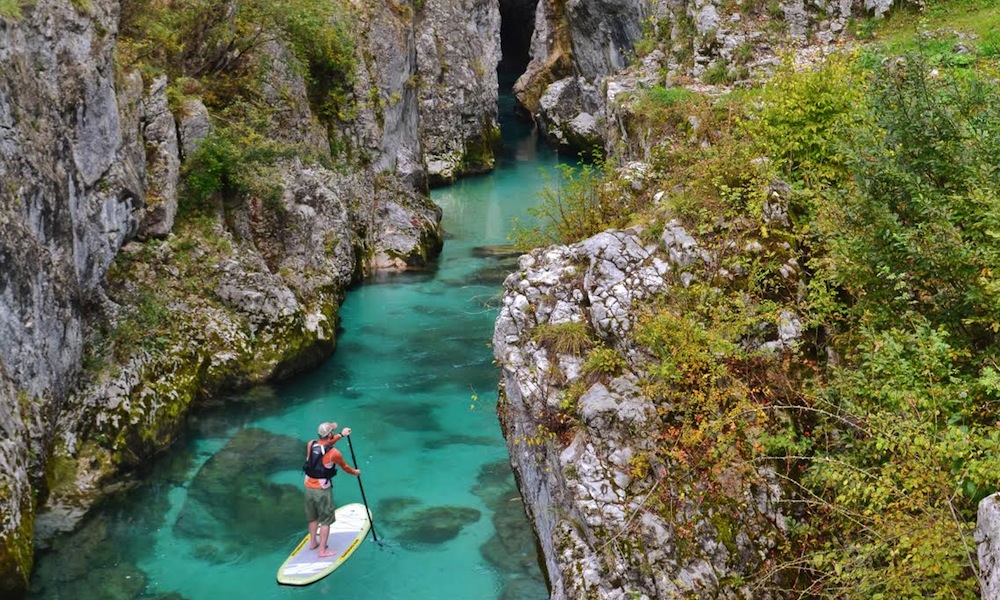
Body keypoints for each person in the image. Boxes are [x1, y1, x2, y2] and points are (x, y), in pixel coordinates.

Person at [304, 421, 361, 557]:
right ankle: (322, 551)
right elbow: (346, 467)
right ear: (330, 434)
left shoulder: (311, 444)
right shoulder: (334, 453)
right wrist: (355, 472)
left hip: (308, 487)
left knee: (313, 518)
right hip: (322, 490)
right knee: (326, 520)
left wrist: (341, 434)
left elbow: (325, 444)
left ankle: (313, 543)